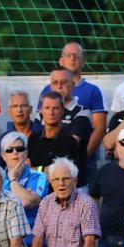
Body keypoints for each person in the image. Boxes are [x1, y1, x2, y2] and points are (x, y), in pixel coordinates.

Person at [29, 157, 100, 247]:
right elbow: (37, 238)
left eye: (66, 178)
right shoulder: (45, 203)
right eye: (56, 179)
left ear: (75, 181)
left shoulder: (86, 204)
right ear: (50, 182)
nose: (61, 183)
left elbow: (90, 241)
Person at [40, 42, 107, 183]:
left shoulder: (92, 90)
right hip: (49, 165)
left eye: (76, 56)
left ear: (83, 61)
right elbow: (39, 126)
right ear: (61, 59)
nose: (72, 59)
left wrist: (81, 156)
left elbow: (99, 128)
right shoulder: (47, 90)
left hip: (81, 164)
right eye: (68, 55)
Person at [0, 131, 48, 247]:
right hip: (3, 241)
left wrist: (12, 179)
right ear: (3, 156)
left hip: (31, 241)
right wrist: (23, 193)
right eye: (9, 150)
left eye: (19, 149)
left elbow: (27, 203)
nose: (15, 152)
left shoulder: (39, 176)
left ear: (26, 152)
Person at [27, 92, 84, 185]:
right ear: (41, 110)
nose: (51, 112)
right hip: (34, 191)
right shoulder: (32, 139)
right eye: (47, 108)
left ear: (62, 110)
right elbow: (26, 171)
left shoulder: (69, 141)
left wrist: (37, 169)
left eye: (55, 108)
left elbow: (59, 174)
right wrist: (44, 169)